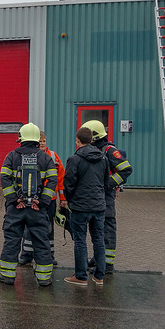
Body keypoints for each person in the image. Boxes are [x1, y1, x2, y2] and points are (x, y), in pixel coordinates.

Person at [0, 123, 58, 287]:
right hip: (38, 210)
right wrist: (43, 201)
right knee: (41, 242)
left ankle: (7, 276)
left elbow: (4, 178)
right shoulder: (46, 157)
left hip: (16, 209)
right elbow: (53, 180)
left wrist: (14, 200)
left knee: (11, 241)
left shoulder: (11, 156)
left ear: (21, 138)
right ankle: (44, 279)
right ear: (38, 139)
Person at [81, 120, 133, 273]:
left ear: (94, 137)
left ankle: (108, 265)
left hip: (106, 197)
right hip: (96, 197)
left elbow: (125, 170)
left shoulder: (109, 150)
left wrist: (107, 184)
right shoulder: (96, 150)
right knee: (97, 229)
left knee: (107, 229)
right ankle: (99, 259)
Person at [63, 127, 111, 286]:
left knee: (80, 240)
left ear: (77, 140)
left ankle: (81, 276)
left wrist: (69, 200)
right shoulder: (103, 158)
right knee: (99, 240)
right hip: (98, 206)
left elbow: (69, 183)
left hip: (80, 206)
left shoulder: (74, 159)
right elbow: (106, 182)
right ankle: (99, 276)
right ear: (92, 140)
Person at [18, 131, 67, 266]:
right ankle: (27, 254)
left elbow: (60, 179)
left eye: (44, 141)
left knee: (48, 227)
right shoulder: (28, 156)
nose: (42, 143)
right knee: (29, 225)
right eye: (40, 141)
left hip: (49, 201)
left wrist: (63, 199)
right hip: (32, 199)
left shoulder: (53, 156)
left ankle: (49, 255)